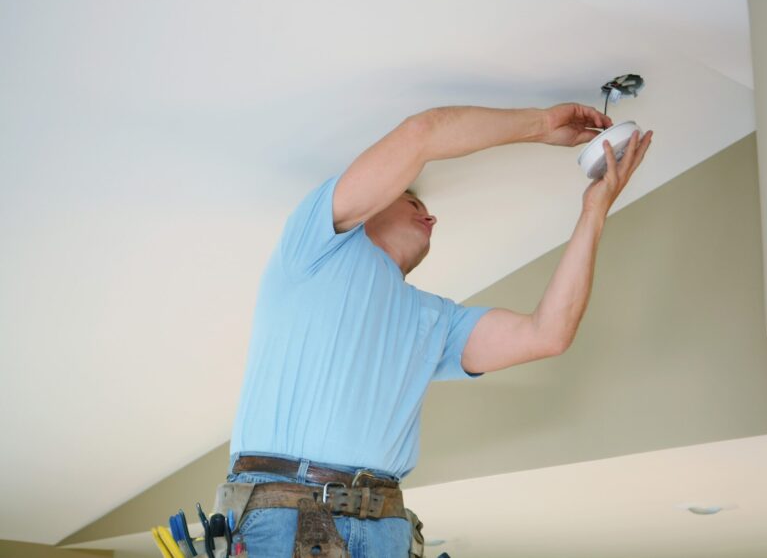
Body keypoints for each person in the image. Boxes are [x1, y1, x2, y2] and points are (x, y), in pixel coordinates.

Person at [225, 103, 653, 557]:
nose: (431, 218)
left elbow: (548, 334)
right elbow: (421, 133)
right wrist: (542, 125)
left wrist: (595, 209)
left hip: (385, 524)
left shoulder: (436, 321)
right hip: (284, 509)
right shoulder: (316, 246)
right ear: (371, 206)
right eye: (413, 203)